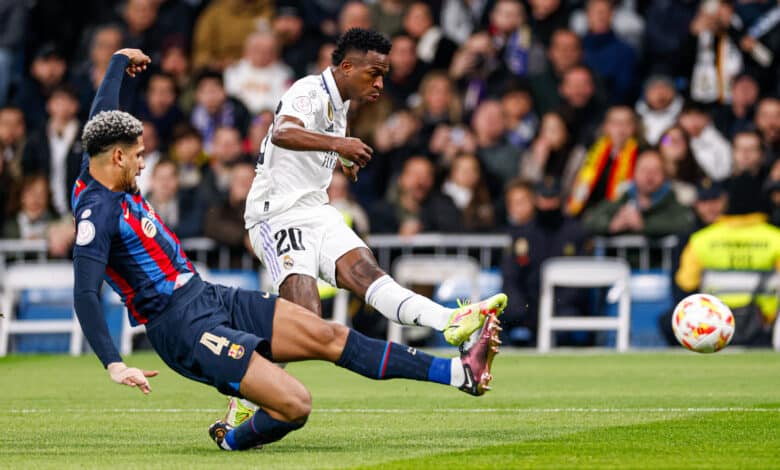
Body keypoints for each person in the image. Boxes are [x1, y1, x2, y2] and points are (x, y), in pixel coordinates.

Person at [72, 47, 505, 452]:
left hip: (207, 295)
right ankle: (232, 437)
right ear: (115, 157)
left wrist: (115, 65)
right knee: (296, 404)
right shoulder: (97, 215)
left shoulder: (97, 162)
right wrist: (113, 363)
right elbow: (85, 293)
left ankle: (459, 373)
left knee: (326, 334)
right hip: (180, 326)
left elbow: (100, 118)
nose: (143, 163)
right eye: (137, 156)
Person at [244, 29, 506, 345]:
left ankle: (450, 320)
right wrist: (340, 143)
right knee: (305, 318)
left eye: (382, 75)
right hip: (276, 216)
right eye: (374, 73)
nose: (380, 83)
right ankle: (244, 383)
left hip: (316, 211)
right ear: (347, 68)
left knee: (368, 274)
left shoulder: (339, 106)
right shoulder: (309, 90)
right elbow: (283, 132)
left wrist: (341, 154)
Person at [583, 149, 695, 237]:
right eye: (644, 170)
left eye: (655, 171)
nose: (649, 176)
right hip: (621, 264)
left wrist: (644, 225)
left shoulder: (673, 201)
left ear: (664, 175)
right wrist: (612, 224)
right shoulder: (622, 198)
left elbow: (686, 223)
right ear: (634, 173)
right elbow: (590, 219)